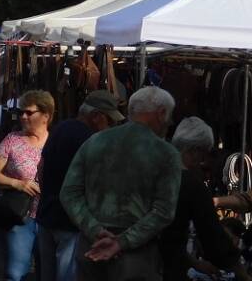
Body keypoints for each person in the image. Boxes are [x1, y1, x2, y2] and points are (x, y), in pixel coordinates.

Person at [60, 86, 182, 281]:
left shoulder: (94, 142)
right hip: (136, 257)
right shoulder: (167, 154)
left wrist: (95, 230)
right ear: (161, 113)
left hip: (91, 247)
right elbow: (164, 211)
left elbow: (69, 194)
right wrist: (121, 242)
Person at [36, 90, 122, 281]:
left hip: (47, 215)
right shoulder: (92, 139)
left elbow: (41, 167)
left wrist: (48, 194)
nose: (111, 125)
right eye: (109, 120)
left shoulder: (60, 127)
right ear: (97, 116)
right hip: (72, 223)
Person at [160, 117, 243, 281]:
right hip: (168, 271)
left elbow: (165, 238)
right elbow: (213, 238)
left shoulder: (155, 172)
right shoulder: (192, 185)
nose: (202, 161)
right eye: (203, 154)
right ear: (195, 150)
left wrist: (195, 263)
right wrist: (242, 274)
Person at [0, 90, 54, 281]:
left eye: (29, 112)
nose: (23, 116)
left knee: (47, 273)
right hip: (18, 215)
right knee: (15, 273)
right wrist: (17, 183)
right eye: (22, 112)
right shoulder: (12, 140)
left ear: (46, 115)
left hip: (48, 217)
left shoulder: (56, 141)